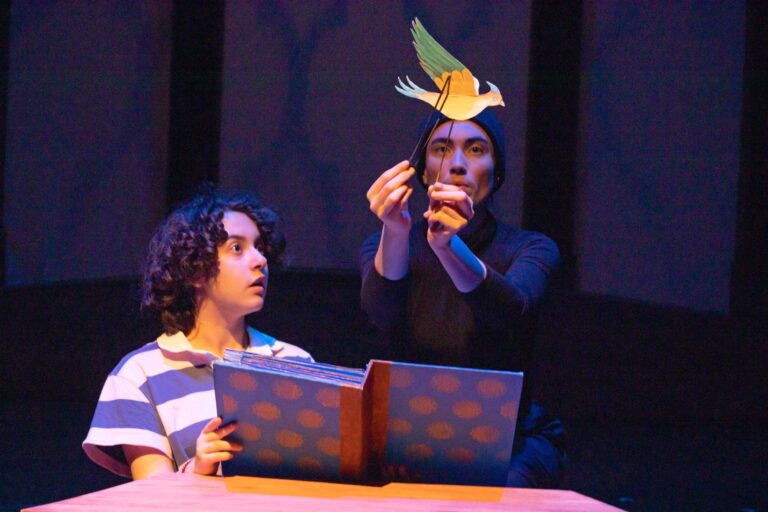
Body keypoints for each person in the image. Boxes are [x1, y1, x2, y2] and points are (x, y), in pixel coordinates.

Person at [360, 110, 565, 488]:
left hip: (509, 443)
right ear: (422, 172)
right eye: (440, 149)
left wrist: (447, 246)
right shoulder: (388, 243)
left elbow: (511, 310)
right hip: (412, 436)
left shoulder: (531, 247)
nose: (456, 164)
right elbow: (381, 312)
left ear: (497, 173)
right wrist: (394, 228)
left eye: (475, 149)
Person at [83, 190, 313, 479]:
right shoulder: (138, 375)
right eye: (237, 248)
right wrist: (198, 469)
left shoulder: (295, 362)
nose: (260, 260)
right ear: (194, 270)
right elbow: (152, 501)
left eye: (259, 247)